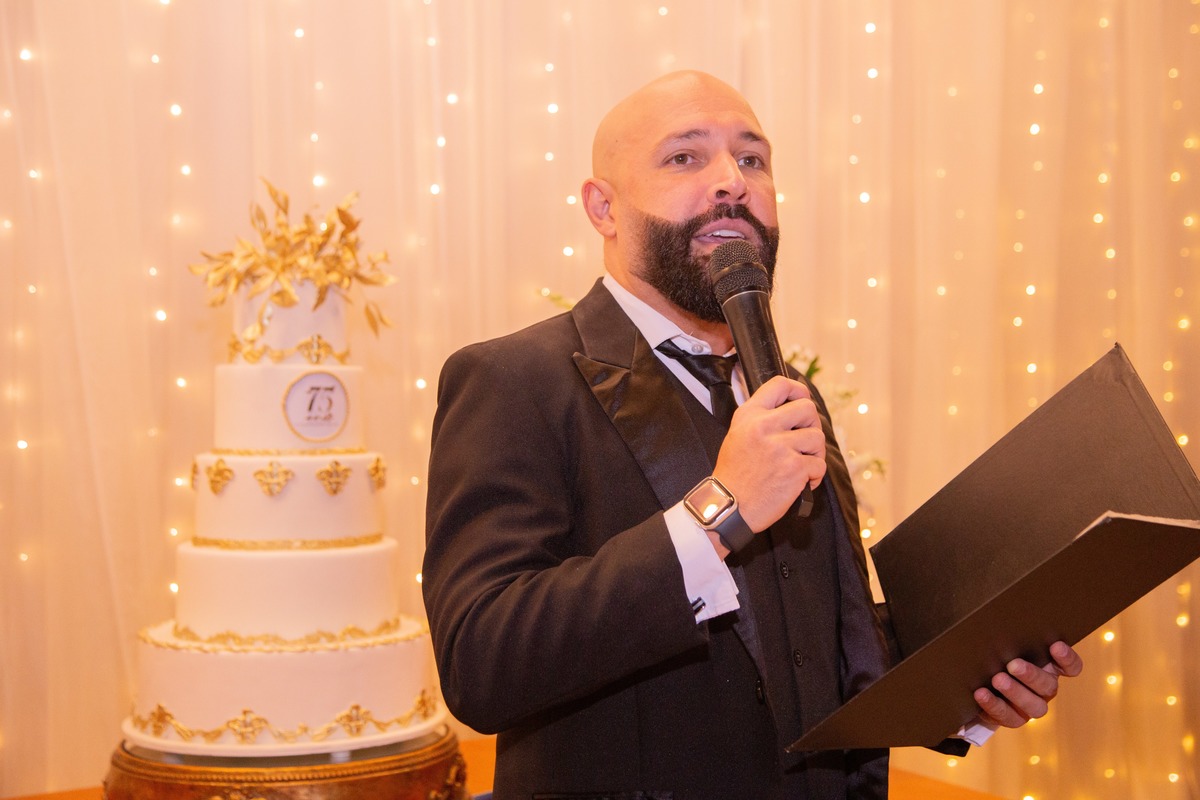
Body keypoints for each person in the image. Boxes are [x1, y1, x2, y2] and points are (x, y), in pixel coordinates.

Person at [421, 70, 1082, 799]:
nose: (732, 181)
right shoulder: (513, 379)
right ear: (603, 208)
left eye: (752, 159)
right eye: (685, 157)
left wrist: (969, 683)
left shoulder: (789, 389)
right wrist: (719, 511)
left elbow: (819, 643)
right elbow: (481, 661)